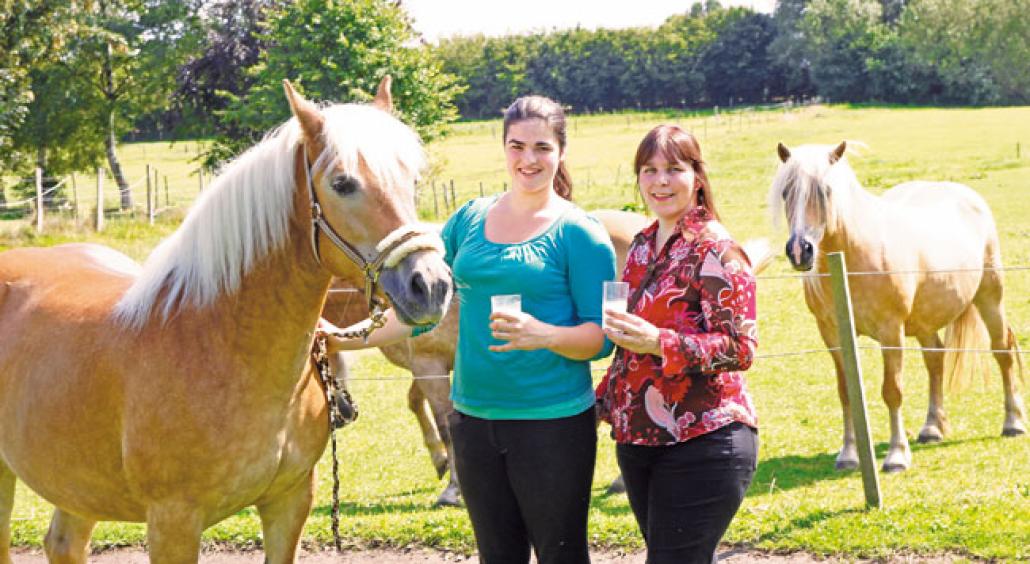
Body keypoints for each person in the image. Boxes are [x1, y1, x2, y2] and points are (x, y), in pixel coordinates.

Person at [318, 95, 616, 564]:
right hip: (474, 424)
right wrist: (345, 336)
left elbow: (601, 340)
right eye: (517, 146)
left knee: (562, 556)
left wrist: (544, 334)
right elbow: (422, 314)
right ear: (504, 148)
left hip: (553, 425)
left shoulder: (581, 233)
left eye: (541, 147)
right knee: (497, 556)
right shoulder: (470, 220)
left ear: (561, 150)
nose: (529, 159)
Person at [595, 125, 759, 563]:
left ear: (697, 177)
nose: (660, 181)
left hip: (705, 438)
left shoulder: (717, 250)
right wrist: (598, 405)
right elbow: (630, 347)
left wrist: (660, 341)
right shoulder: (644, 246)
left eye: (673, 169)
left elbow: (741, 347)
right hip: (639, 442)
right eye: (649, 170)